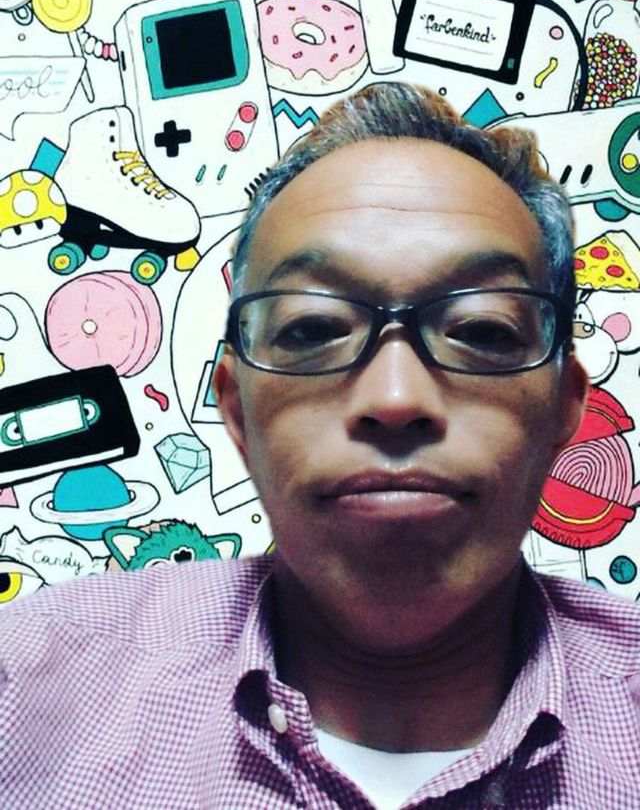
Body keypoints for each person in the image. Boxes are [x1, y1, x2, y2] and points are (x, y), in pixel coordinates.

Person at [1, 83, 639, 810]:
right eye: (311, 329)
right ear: (237, 410)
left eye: (482, 330)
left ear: (563, 408)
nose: (395, 398)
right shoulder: (28, 689)